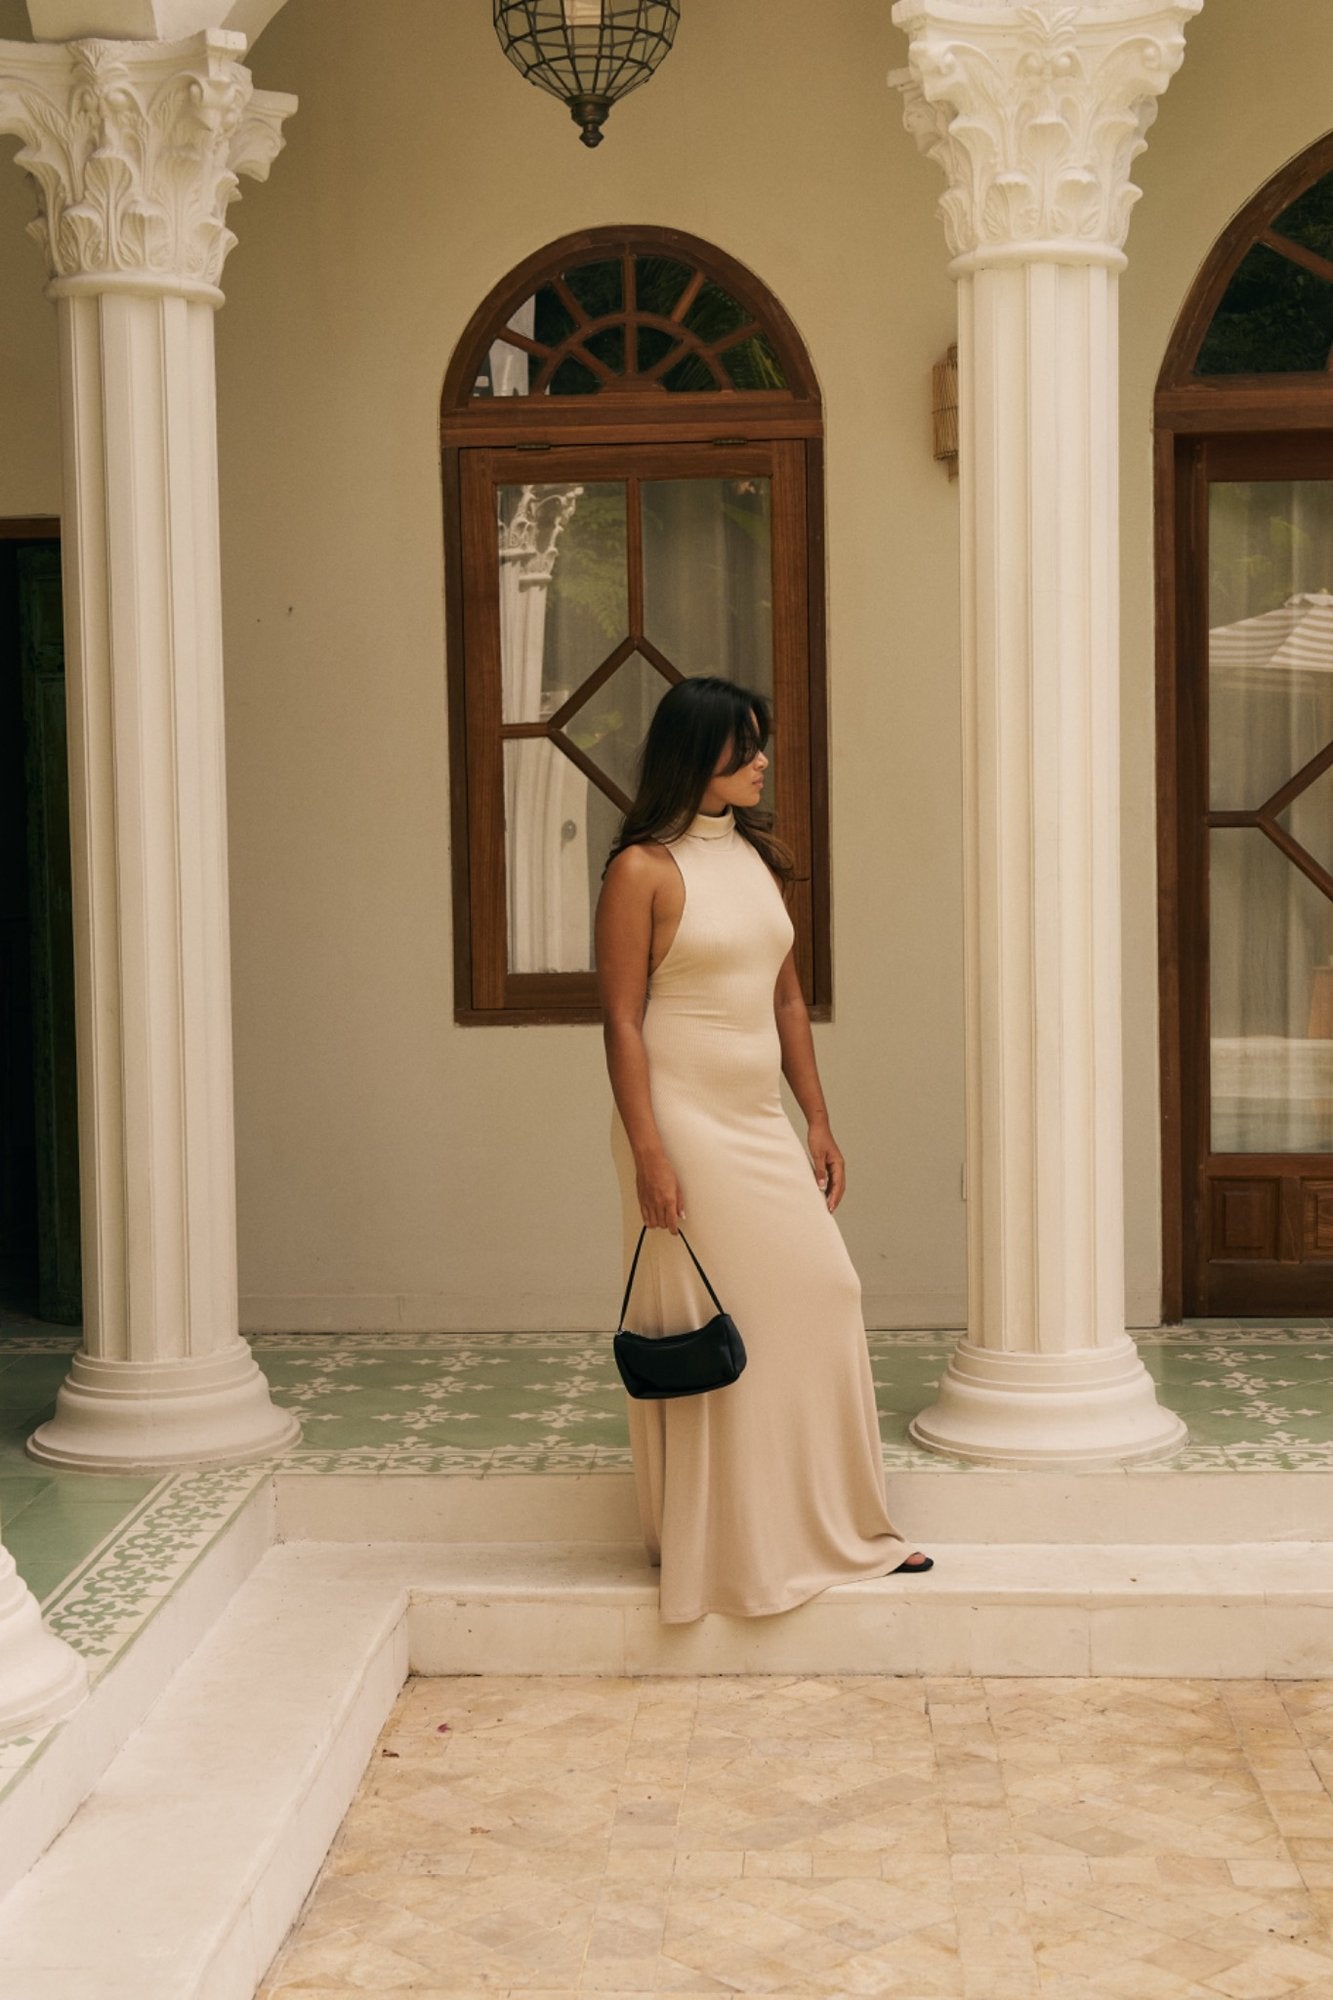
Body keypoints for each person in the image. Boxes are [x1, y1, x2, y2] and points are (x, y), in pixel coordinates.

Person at [595, 675, 932, 1623]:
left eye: (761, 745)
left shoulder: (755, 857)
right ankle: (734, 1546)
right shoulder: (643, 869)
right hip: (681, 1120)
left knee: (824, 1293)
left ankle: (826, 1528)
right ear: (693, 754)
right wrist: (649, 1152)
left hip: (755, 1116)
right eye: (743, 747)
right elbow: (622, 1023)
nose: (760, 761)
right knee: (720, 1321)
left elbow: (785, 1000)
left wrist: (815, 1120)